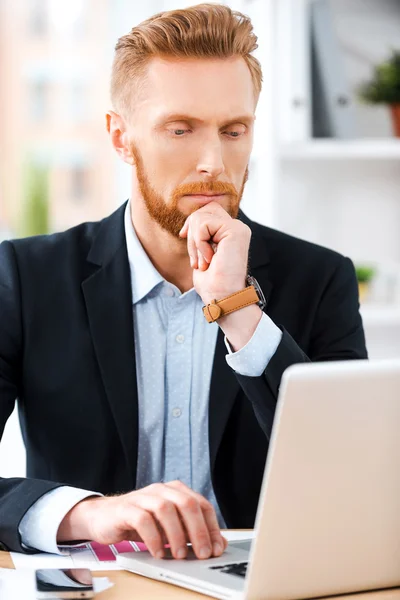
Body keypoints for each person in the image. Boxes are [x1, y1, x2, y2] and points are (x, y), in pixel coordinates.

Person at [0, 3, 367, 561]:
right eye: (180, 129)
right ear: (121, 138)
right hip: (99, 587)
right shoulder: (25, 279)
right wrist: (88, 512)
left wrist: (238, 308)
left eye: (233, 129)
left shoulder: (319, 279)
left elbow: (353, 477)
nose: (213, 162)